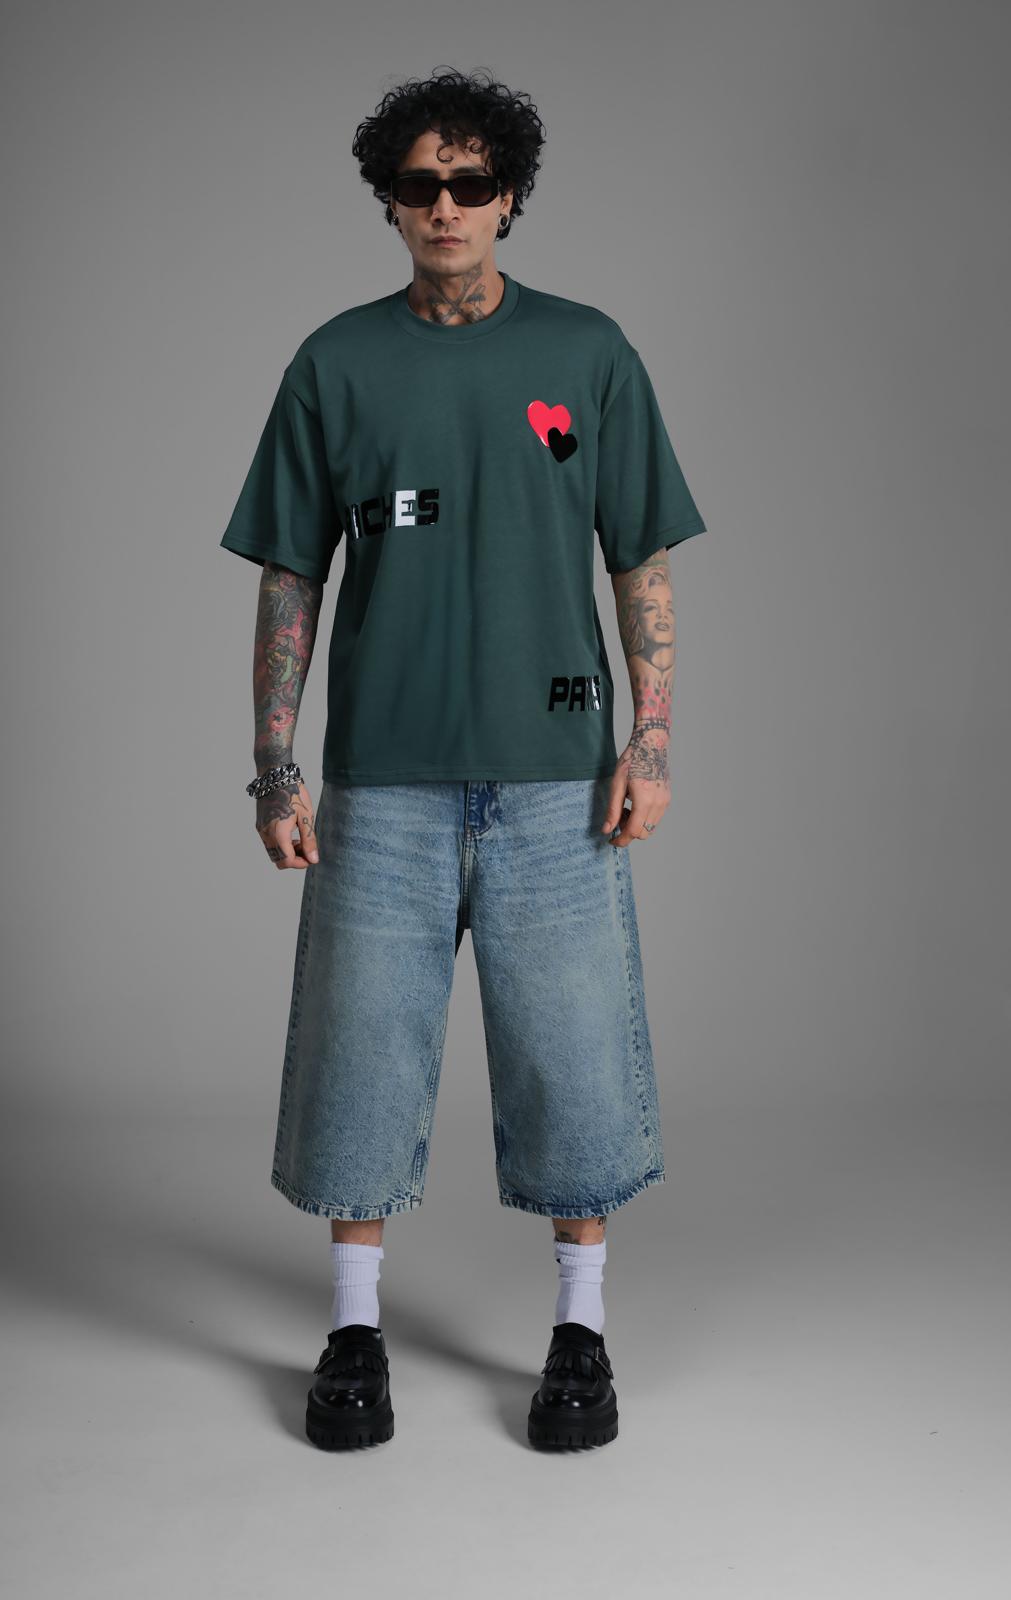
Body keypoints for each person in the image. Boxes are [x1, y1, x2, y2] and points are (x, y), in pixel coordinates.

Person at [219, 67, 706, 1452]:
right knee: (358, 1061)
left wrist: (652, 740)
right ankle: (353, 1334)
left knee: (575, 1063)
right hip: (382, 783)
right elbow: (291, 576)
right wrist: (274, 763)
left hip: (559, 779)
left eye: (472, 183)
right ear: (389, 197)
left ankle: (581, 1335)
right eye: (421, 184)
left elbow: (641, 559)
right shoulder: (335, 364)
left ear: (510, 199)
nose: (447, 206)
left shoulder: (589, 354)